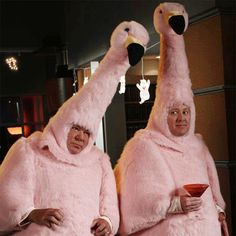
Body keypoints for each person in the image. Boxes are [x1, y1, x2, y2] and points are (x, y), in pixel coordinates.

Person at [0, 21, 149, 235]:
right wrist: (32, 213)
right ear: (63, 125)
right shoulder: (31, 150)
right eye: (76, 129)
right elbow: (5, 195)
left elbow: (109, 205)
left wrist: (107, 221)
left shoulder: (99, 161)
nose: (81, 137)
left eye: (87, 133)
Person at [114, 3, 227, 236]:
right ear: (162, 113)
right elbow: (132, 205)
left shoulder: (198, 145)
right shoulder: (143, 146)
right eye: (174, 112)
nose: (181, 118)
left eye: (185, 111)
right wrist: (174, 205)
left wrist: (218, 212)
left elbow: (213, 193)